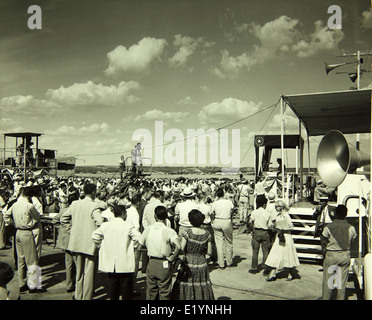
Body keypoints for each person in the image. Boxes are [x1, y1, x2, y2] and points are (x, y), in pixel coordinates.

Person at [60, 183, 103, 300]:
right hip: (89, 244)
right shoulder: (94, 206)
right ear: (93, 192)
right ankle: (87, 297)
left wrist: (71, 230)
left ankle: (79, 296)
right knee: (88, 273)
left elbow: (63, 218)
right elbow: (100, 222)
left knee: (79, 272)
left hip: (76, 242)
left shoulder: (75, 204)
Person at [92, 205, 141, 300]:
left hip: (111, 263)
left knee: (113, 288)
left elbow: (94, 236)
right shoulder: (128, 225)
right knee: (126, 290)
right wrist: (133, 246)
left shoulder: (106, 225)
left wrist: (102, 246)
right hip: (124, 262)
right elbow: (139, 238)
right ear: (123, 214)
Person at [3, 187, 44, 293]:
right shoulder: (29, 206)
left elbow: (6, 215)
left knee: (21, 259)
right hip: (27, 232)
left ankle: (22, 283)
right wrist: (30, 224)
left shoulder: (15, 205)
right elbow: (37, 218)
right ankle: (33, 285)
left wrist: (12, 223)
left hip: (18, 232)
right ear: (29, 196)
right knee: (32, 260)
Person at [138, 205, 180, 300]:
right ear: (166, 217)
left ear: (155, 216)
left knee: (151, 292)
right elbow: (178, 246)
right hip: (164, 263)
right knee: (164, 292)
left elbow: (139, 245)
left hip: (151, 263)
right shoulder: (169, 231)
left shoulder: (148, 230)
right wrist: (172, 258)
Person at [171, 209, 214, 300]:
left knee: (186, 285)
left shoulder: (187, 233)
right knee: (201, 285)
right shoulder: (207, 234)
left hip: (188, 262)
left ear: (190, 220)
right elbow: (209, 253)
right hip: (201, 262)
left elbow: (181, 249)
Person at [322, 204, 356, 300]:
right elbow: (352, 242)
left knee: (329, 282)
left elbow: (324, 241)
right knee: (341, 282)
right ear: (346, 214)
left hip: (332, 255)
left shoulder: (329, 227)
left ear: (335, 214)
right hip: (345, 255)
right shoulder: (351, 228)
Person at [265, 199, 300, 281]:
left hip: (286, 237)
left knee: (288, 255)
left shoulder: (287, 216)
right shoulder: (278, 216)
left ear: (281, 207)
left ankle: (290, 274)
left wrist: (283, 228)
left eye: (277, 207)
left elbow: (291, 227)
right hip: (279, 237)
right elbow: (276, 225)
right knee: (275, 254)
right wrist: (274, 227)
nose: (276, 208)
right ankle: (272, 274)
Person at [52, 192, 80, 293]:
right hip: (76, 240)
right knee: (78, 264)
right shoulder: (78, 211)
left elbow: (55, 221)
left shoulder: (63, 210)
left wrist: (62, 230)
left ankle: (69, 285)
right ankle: (79, 284)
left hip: (66, 240)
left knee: (69, 264)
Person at [248, 195, 272, 275]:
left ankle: (254, 267)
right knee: (265, 251)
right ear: (265, 204)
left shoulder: (254, 212)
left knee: (255, 250)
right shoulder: (267, 213)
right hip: (265, 232)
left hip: (257, 232)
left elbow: (250, 222)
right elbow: (270, 225)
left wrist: (252, 230)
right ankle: (265, 267)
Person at [211, 188, 234, 269]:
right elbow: (232, 212)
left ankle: (221, 263)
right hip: (226, 221)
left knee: (219, 244)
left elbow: (212, 213)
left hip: (217, 221)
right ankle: (229, 261)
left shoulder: (215, 203)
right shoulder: (229, 202)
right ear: (223, 194)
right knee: (229, 242)